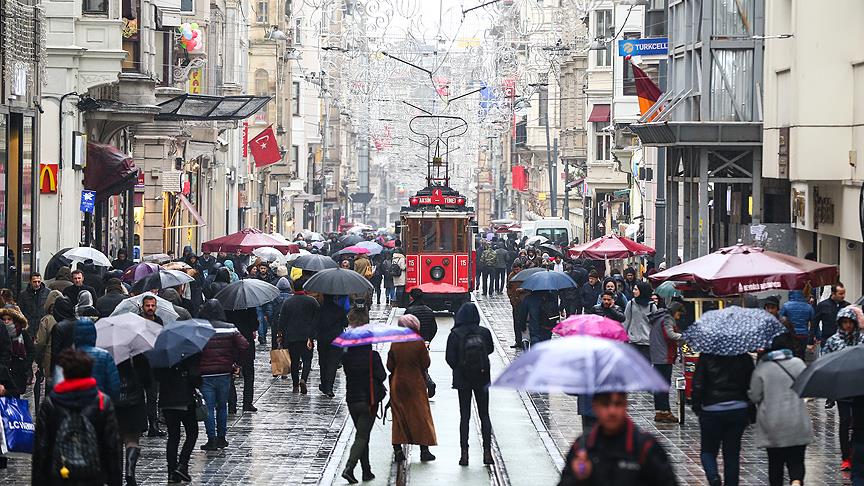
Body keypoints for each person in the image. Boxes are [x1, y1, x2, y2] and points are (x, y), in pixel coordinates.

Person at [32, 349, 123, 486]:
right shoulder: (102, 403)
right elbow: (112, 447)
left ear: (64, 372)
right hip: (93, 475)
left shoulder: (51, 403)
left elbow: (41, 448)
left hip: (60, 475)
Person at [557, 392, 678, 486]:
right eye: (605, 404)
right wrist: (577, 478)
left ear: (626, 406)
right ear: (595, 407)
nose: (612, 411)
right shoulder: (583, 447)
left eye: (618, 404)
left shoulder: (645, 447)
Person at [748, 341, 813, 486]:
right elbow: (808, 388)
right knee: (797, 460)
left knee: (775, 464)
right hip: (797, 420)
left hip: (773, 423)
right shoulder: (798, 363)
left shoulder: (763, 368)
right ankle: (796, 481)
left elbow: (754, 396)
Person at [691, 351, 755, 486]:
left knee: (708, 451)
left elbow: (698, 384)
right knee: (732, 454)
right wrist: (751, 411)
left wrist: (697, 406)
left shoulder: (706, 356)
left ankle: (713, 477)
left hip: (711, 409)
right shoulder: (744, 357)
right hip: (738, 408)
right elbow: (751, 385)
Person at [445, 303, 494, 466]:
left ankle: (464, 454)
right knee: (484, 415)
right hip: (482, 377)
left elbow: (449, 358)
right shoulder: (484, 332)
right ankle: (487, 452)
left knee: (464, 416)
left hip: (463, 379)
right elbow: (490, 350)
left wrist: (460, 367)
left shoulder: (455, 334)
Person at [197, 299, 248, 450]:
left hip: (205, 374)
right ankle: (222, 438)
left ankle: (211, 439)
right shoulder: (230, 329)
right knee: (222, 407)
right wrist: (236, 362)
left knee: (209, 408)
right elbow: (244, 345)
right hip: (224, 372)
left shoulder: (200, 328)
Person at [388, 314, 437, 462]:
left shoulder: (395, 343)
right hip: (415, 383)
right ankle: (424, 450)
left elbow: (390, 366)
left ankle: (397, 449)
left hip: (398, 384)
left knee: (399, 416)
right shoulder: (418, 343)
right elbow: (426, 364)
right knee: (420, 415)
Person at [340, 331, 387, 483]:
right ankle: (349, 467)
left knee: (362, 434)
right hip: (368, 400)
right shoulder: (372, 356)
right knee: (362, 436)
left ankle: (366, 471)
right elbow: (382, 376)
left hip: (352, 400)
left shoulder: (347, 357)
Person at [823, 306, 863, 471]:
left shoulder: (861, 339)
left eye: (849, 322)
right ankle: (846, 456)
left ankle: (856, 453)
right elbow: (825, 360)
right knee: (845, 421)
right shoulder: (833, 341)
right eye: (844, 322)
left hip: (859, 387)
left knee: (859, 422)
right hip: (841, 388)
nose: (847, 326)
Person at [154, 353, 201, 483]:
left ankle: (171, 472)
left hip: (167, 401)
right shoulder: (188, 353)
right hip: (184, 399)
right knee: (192, 433)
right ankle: (183, 464)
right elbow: (195, 376)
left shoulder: (161, 356)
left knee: (173, 437)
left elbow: (156, 376)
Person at [114, 353, 151, 486]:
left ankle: (116, 475)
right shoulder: (138, 357)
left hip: (115, 403)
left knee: (116, 439)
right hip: (135, 402)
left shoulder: (109, 356)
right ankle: (130, 472)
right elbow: (148, 381)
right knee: (132, 439)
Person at [275, 279, 318, 394]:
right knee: (307, 359)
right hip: (307, 337)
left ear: (293, 288)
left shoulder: (288, 302)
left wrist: (280, 334)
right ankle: (303, 379)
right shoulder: (312, 301)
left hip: (292, 336)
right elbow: (317, 318)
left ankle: (295, 385)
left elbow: (282, 320)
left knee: (294, 361)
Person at [649, 301, 684, 423]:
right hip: (664, 356)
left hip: (657, 355)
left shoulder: (660, 317)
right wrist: (685, 336)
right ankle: (665, 412)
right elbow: (669, 334)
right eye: (679, 314)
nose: (679, 317)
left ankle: (660, 411)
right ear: (676, 311)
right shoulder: (667, 319)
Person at [72, 317, 120, 401]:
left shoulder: (68, 357)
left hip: (75, 406)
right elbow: (114, 386)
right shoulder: (104, 356)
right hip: (99, 405)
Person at [224, 306, 258, 412]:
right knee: (249, 375)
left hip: (232, 344)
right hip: (247, 344)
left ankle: (232, 404)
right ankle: (247, 403)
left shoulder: (227, 307)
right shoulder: (250, 308)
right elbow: (255, 325)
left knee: (230, 375)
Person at [316, 295, 347, 397]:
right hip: (336, 339)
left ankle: (324, 385)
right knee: (332, 364)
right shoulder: (339, 309)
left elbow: (315, 323)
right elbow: (346, 323)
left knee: (323, 362)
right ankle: (329, 388)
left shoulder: (320, 310)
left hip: (323, 339)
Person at [0, 306, 34, 398]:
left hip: (18, 370)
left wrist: (25, 365)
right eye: (4, 319)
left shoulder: (22, 333)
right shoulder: (2, 332)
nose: (6, 322)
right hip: (4, 371)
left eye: (9, 319)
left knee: (15, 397)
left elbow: (31, 350)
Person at [624, 282, 657, 361]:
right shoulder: (631, 304)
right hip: (633, 341)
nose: (634, 291)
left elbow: (655, 324)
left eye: (636, 289)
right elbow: (626, 321)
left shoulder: (652, 306)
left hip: (647, 342)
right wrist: (624, 337)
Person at [779, 290, 816, 357]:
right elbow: (814, 323)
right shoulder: (809, 307)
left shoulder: (786, 306)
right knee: (801, 355)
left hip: (790, 335)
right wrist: (812, 337)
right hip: (804, 335)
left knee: (790, 355)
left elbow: (780, 320)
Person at [506, 261, 529, 349]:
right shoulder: (511, 276)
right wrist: (512, 299)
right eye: (515, 269)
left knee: (523, 322)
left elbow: (528, 288)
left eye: (518, 269)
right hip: (515, 302)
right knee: (516, 322)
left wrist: (522, 290)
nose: (516, 271)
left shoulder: (525, 275)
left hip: (523, 301)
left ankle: (524, 340)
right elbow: (508, 288)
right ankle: (518, 340)